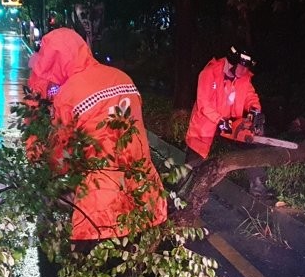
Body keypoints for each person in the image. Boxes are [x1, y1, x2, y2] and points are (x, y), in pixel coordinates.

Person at [25, 27, 168, 246]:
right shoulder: (122, 77)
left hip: (99, 202)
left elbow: (60, 157)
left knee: (97, 269)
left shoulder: (70, 93)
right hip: (143, 190)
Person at [184, 45, 272, 197]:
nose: (244, 72)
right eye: (242, 67)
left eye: (246, 68)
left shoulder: (244, 78)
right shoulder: (209, 73)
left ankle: (258, 185)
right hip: (207, 122)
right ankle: (183, 191)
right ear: (233, 61)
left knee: (252, 144)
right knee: (194, 159)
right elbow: (203, 103)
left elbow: (251, 97)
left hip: (231, 122)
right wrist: (219, 120)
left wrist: (255, 110)